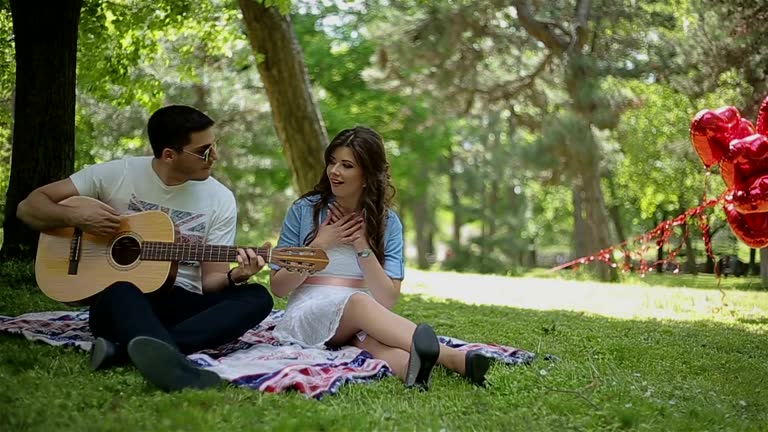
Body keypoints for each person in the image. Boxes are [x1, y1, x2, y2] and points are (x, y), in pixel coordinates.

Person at [16, 105, 274, 392]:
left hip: (181, 305)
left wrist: (235, 276)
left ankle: (123, 352)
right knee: (121, 287)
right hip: (121, 305)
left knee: (258, 297)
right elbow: (29, 207)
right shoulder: (117, 174)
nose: (214, 157)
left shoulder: (220, 199)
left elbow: (211, 283)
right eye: (204, 151)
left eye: (214, 146)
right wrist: (76, 217)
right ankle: (176, 367)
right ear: (169, 154)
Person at [269, 126, 492, 390]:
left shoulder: (388, 223)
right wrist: (321, 245)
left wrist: (362, 245)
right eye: (332, 162)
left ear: (366, 176)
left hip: (361, 318)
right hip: (308, 311)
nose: (334, 171)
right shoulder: (304, 210)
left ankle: (412, 372)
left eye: (346, 165)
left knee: (375, 341)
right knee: (360, 304)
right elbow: (278, 287)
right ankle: (452, 358)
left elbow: (387, 298)